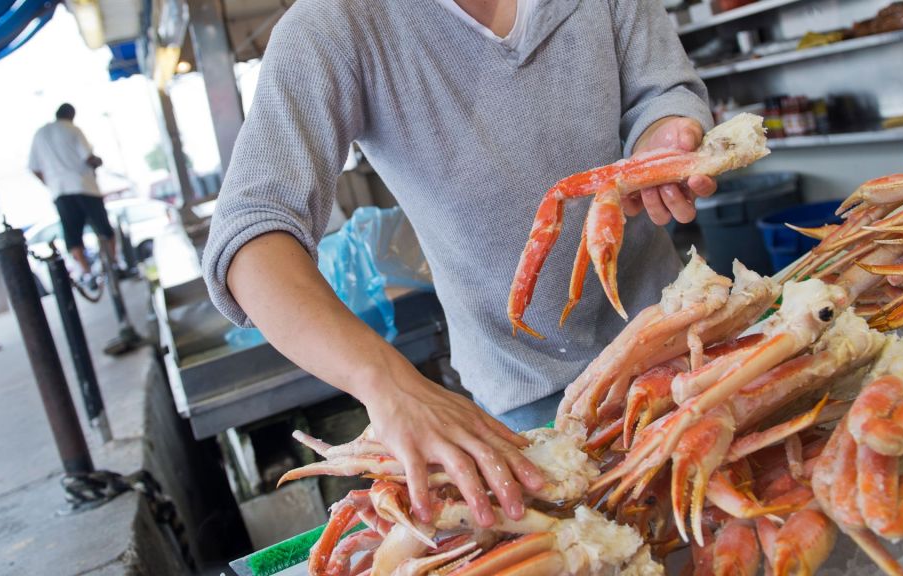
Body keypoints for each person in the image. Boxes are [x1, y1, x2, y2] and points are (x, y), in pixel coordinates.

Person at [203, 0, 717, 528]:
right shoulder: (334, 26)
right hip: (526, 408)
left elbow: (664, 90)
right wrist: (385, 382)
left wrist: (665, 132)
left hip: (683, 341)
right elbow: (251, 238)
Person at [29, 103, 117, 284]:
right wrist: (98, 161)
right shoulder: (72, 129)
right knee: (105, 230)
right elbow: (88, 158)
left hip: (60, 191)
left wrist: (51, 184)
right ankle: (112, 265)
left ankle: (87, 273)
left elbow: (34, 168)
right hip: (84, 186)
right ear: (71, 115)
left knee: (72, 236)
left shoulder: (40, 134)